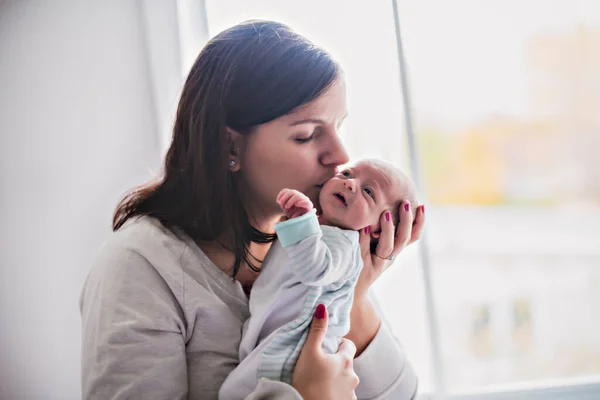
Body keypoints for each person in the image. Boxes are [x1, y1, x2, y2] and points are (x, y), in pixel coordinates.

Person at [79, 20, 425, 400]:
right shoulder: (140, 267)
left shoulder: (316, 242)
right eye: (307, 135)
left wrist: (354, 295)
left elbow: (400, 394)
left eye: (338, 126)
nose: (340, 156)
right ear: (230, 147)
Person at [219, 160, 418, 400]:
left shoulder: (345, 243)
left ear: (377, 229)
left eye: (368, 191)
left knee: (237, 392)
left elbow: (316, 269)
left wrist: (302, 219)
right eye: (346, 173)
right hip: (282, 341)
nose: (349, 184)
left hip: (296, 349)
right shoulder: (322, 232)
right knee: (233, 390)